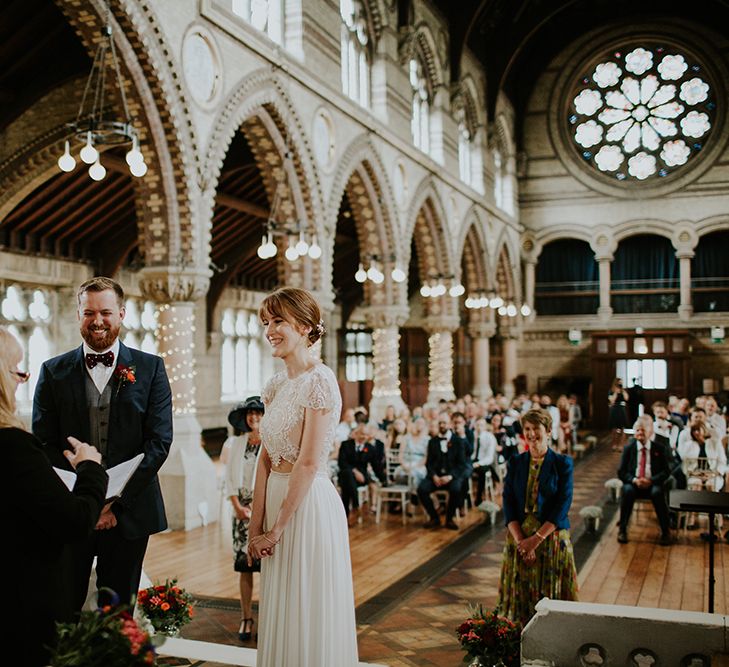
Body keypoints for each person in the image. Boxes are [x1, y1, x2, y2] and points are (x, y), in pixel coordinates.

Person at [32, 277, 173, 612]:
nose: (98, 320)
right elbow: (44, 443)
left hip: (131, 512)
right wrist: (87, 500)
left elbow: (159, 442)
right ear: (78, 315)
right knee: (63, 605)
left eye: (106, 312)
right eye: (89, 312)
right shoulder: (53, 371)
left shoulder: (151, 369)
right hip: (71, 510)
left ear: (122, 314)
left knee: (118, 611)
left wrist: (113, 504)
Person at [247, 287, 358, 666]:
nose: (270, 330)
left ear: (307, 327)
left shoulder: (320, 381)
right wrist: (254, 524)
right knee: (281, 602)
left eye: (278, 321)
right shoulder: (275, 385)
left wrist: (276, 529)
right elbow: (264, 455)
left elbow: (309, 463)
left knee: (306, 602)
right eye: (266, 322)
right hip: (275, 497)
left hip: (307, 505)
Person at [1, 326, 109, 667]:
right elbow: (74, 522)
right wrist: (91, 470)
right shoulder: (13, 447)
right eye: (17, 370)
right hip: (19, 603)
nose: (21, 380)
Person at [498, 408, 578, 628]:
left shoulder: (562, 463)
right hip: (519, 538)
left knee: (551, 596)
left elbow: (563, 504)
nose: (531, 434)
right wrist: (521, 541)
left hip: (550, 538)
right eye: (527, 429)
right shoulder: (516, 462)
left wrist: (536, 539)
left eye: (536, 429)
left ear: (549, 431)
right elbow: (508, 502)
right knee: (520, 598)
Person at [224, 396, 264, 642]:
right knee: (244, 567)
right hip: (241, 513)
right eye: (250, 413)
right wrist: (237, 506)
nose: (254, 417)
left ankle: (269, 618)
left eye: (258, 413)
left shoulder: (272, 443)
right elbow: (228, 477)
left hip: (265, 512)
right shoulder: (235, 443)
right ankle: (246, 617)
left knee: (268, 568)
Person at [617, 415, 673, 546]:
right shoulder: (628, 448)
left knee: (657, 493)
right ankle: (623, 529)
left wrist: (651, 480)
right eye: (637, 430)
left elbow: (666, 471)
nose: (640, 433)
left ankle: (665, 531)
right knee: (627, 491)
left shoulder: (659, 448)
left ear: (651, 431)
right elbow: (621, 472)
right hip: (634, 483)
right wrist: (634, 480)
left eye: (643, 430)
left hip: (652, 484)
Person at [417, 412, 469, 530]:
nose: (441, 425)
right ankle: (434, 517)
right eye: (440, 423)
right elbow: (429, 463)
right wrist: (434, 476)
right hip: (436, 477)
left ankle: (449, 519)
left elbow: (461, 465)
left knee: (456, 489)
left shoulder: (458, 441)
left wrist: (450, 476)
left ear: (450, 424)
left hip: (452, 477)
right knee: (422, 489)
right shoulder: (432, 441)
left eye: (444, 422)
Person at [338, 423, 387, 524]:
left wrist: (384, 479)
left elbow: (376, 466)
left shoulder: (370, 448)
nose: (363, 437)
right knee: (347, 475)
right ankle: (355, 507)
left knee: (346, 483)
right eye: (361, 434)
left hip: (362, 478)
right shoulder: (346, 445)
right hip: (347, 475)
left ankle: (347, 516)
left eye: (366, 435)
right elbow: (341, 463)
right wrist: (355, 471)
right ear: (356, 434)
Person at [608, 378, 629, 451]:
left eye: (621, 383)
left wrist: (622, 391)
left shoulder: (623, 391)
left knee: (623, 428)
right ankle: (614, 444)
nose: (620, 384)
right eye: (619, 383)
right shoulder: (611, 391)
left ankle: (621, 445)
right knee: (614, 428)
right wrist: (616, 392)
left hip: (621, 409)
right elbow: (612, 400)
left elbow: (627, 398)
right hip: (614, 409)